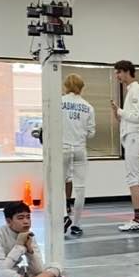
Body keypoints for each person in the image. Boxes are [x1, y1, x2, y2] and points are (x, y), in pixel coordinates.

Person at [111, 60, 139, 232]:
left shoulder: (135, 90)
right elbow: (132, 117)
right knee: (137, 179)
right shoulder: (134, 90)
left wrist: (120, 111)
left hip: (134, 137)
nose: (117, 76)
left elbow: (137, 116)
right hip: (133, 136)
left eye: (119, 72)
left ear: (127, 71)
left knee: (133, 179)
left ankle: (138, 220)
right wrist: (118, 112)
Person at [61, 73, 96, 236]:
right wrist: (80, 133)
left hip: (63, 148)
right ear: (81, 87)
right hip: (80, 149)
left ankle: (64, 216)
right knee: (80, 188)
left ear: (66, 86)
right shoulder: (88, 107)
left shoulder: (58, 102)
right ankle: (76, 224)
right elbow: (91, 133)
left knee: (59, 185)